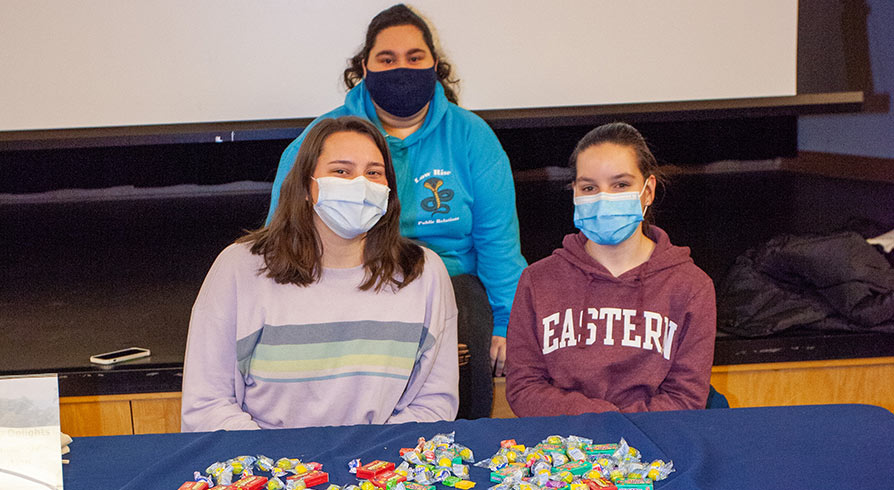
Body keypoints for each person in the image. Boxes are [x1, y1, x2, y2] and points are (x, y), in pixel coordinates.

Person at [265, 4, 526, 419]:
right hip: (347, 274)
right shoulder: (320, 139)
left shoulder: (473, 136)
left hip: (452, 281)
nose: (401, 69)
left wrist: (507, 324)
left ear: (435, 66)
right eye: (387, 59)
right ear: (364, 68)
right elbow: (281, 235)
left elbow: (498, 243)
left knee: (466, 342)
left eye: (414, 58)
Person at [181, 116, 458, 430]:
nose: (360, 184)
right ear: (304, 187)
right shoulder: (239, 269)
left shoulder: (424, 273)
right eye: (341, 171)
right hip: (270, 469)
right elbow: (207, 405)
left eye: (373, 173)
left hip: (378, 469)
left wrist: (369, 464)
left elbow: (435, 403)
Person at [505, 122, 716, 416]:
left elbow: (686, 396)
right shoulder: (538, 280)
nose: (603, 198)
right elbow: (523, 387)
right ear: (575, 193)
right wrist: (597, 421)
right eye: (589, 187)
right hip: (563, 449)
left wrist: (620, 430)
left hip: (653, 445)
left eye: (620, 185)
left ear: (648, 191)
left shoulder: (691, 286)